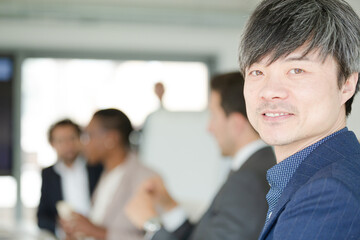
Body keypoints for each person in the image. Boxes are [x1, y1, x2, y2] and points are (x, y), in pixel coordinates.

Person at [238, 0, 360, 239]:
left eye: (296, 70)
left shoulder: (330, 193)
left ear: (347, 84)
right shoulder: (306, 178)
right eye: (257, 72)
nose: (269, 90)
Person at [125, 72, 276, 240]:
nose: (209, 128)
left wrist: (151, 226)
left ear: (236, 123)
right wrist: (169, 206)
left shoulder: (248, 180)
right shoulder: (255, 167)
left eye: (213, 115)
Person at [60, 109, 157, 240]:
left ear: (111, 139)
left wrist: (97, 231)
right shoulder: (106, 173)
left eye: (89, 135)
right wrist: (80, 229)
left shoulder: (145, 178)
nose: (84, 143)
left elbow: (157, 236)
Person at [37, 119, 102, 236]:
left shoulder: (97, 167)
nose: (68, 145)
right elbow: (42, 217)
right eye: (61, 141)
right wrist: (60, 228)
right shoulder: (49, 174)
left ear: (80, 139)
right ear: (53, 144)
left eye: (72, 138)